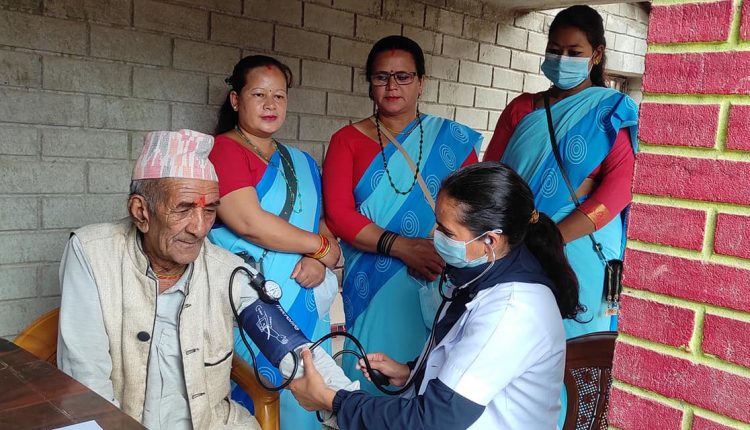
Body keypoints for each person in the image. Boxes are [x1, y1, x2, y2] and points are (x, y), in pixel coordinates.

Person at [57, 130, 353, 430]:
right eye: (184, 209)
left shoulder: (227, 270)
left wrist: (350, 403)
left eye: (210, 210)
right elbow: (87, 379)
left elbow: (294, 350)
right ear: (141, 212)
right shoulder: (93, 253)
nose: (199, 228)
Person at [288, 162, 582, 429]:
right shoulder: (483, 276)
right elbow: (469, 362)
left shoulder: (512, 311)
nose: (433, 235)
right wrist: (411, 371)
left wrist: (331, 400)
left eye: (446, 231)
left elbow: (432, 420)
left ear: (490, 241)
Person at [323, 35, 482, 394]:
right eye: (381, 77)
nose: (392, 86)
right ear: (370, 84)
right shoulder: (346, 141)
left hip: (441, 274)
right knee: (372, 379)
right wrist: (403, 248)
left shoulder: (452, 139)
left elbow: (474, 211)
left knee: (436, 379)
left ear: (421, 82)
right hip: (373, 282)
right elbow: (339, 215)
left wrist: (438, 252)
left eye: (403, 76)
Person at [483, 5, 638, 338]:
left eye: (573, 52)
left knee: (573, 341)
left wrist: (554, 237)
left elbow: (619, 187)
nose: (562, 59)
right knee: (512, 337)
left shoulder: (609, 111)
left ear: (596, 55)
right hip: (516, 241)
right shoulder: (522, 108)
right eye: (554, 51)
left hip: (580, 242)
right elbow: (490, 176)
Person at [208, 55, 341, 430]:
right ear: (236, 100)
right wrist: (320, 248)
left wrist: (319, 258)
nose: (270, 104)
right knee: (257, 394)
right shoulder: (222, 150)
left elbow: (320, 223)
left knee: (308, 395)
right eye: (259, 94)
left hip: (305, 299)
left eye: (279, 96)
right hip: (251, 303)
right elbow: (249, 222)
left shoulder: (302, 160)